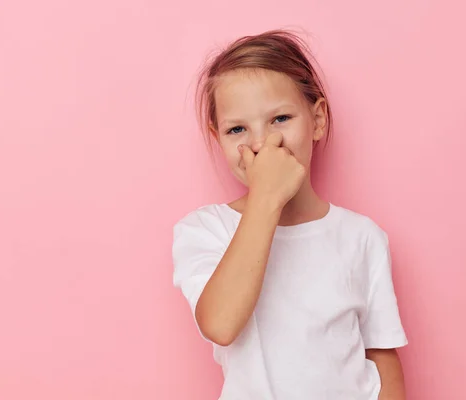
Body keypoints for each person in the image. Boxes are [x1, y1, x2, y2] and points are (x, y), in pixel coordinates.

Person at [172, 29, 408, 400]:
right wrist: (267, 197)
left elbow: (381, 354)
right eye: (237, 129)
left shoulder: (362, 237)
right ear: (218, 139)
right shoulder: (205, 230)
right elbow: (220, 324)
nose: (263, 143)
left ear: (317, 120)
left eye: (280, 119)